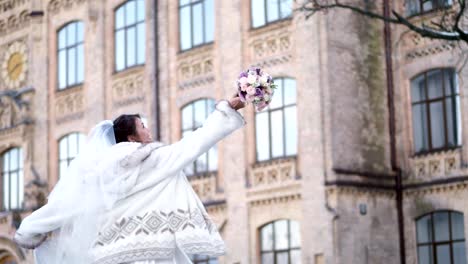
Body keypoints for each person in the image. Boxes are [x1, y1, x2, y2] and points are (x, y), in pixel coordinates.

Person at [14, 95, 246, 264]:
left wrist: (31, 229)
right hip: (143, 251)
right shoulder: (148, 160)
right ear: (131, 137)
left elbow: (66, 207)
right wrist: (225, 111)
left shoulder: (98, 172)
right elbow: (190, 146)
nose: (149, 131)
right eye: (143, 126)